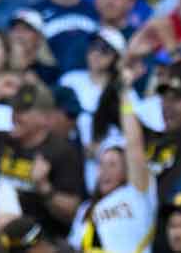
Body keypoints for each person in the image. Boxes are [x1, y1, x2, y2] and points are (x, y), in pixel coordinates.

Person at [0, 77, 86, 241]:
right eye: (15, 107)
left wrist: (45, 187)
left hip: (40, 242)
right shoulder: (5, 141)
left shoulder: (62, 151)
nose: (15, 115)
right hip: (0, 238)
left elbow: (71, 211)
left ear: (45, 118)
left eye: (24, 110)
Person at [67, 62, 156, 252]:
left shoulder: (137, 194)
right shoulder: (86, 209)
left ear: (126, 170)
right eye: (102, 164)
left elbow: (134, 144)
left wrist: (124, 92)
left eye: (113, 164)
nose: (105, 171)